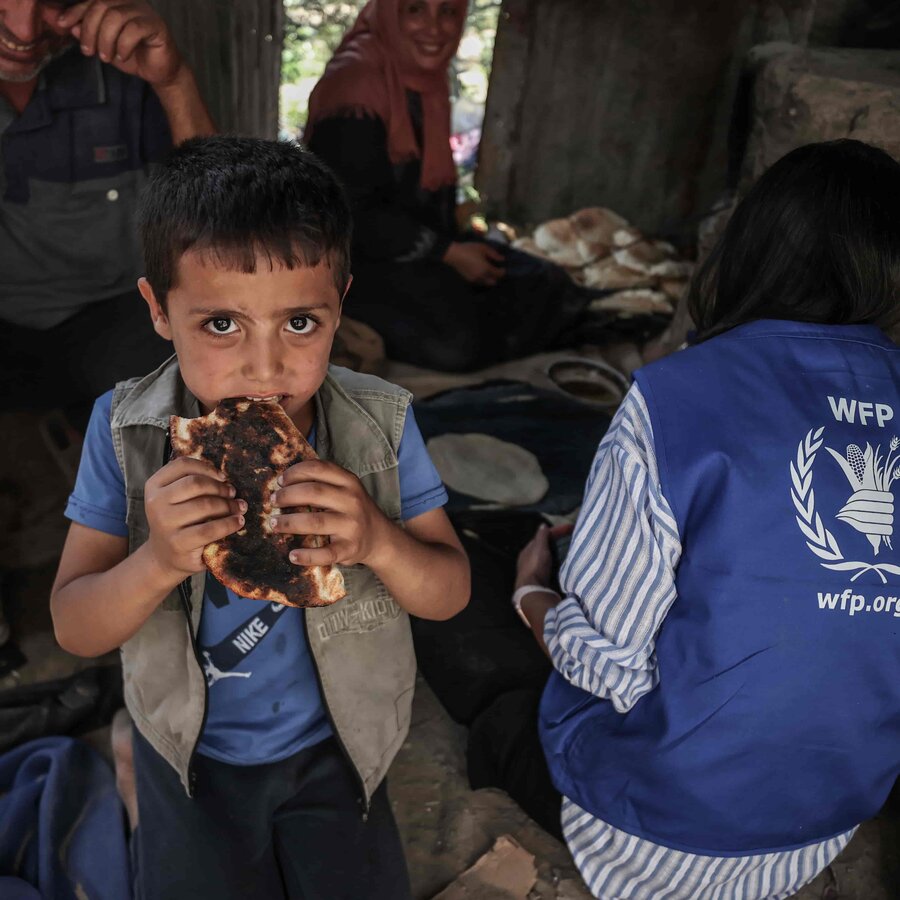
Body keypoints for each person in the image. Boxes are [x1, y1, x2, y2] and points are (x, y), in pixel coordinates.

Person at [49, 136, 471, 900]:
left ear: (341, 302)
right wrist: (156, 563)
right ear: (158, 311)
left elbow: (449, 592)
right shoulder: (126, 431)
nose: (265, 366)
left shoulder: (381, 426)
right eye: (220, 325)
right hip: (186, 757)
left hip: (337, 750)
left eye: (300, 323)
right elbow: (75, 626)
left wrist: (378, 539)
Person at [505, 140, 900, 898]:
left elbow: (611, 667)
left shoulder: (675, 396)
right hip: (823, 824)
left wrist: (532, 597)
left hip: (655, 834)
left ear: (751, 248)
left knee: (479, 626)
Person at [304, 0, 594, 372]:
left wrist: (453, 245)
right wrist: (447, 253)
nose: (435, 28)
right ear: (389, 15)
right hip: (354, 265)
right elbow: (350, 215)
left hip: (419, 249)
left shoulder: (425, 82)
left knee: (546, 285)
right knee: (455, 344)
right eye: (415, 10)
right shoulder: (355, 86)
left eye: (448, 12)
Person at [0, 0, 215, 428]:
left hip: (122, 324)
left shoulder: (125, 66)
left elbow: (219, 223)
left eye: (52, 2)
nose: (25, 33)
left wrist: (173, 82)